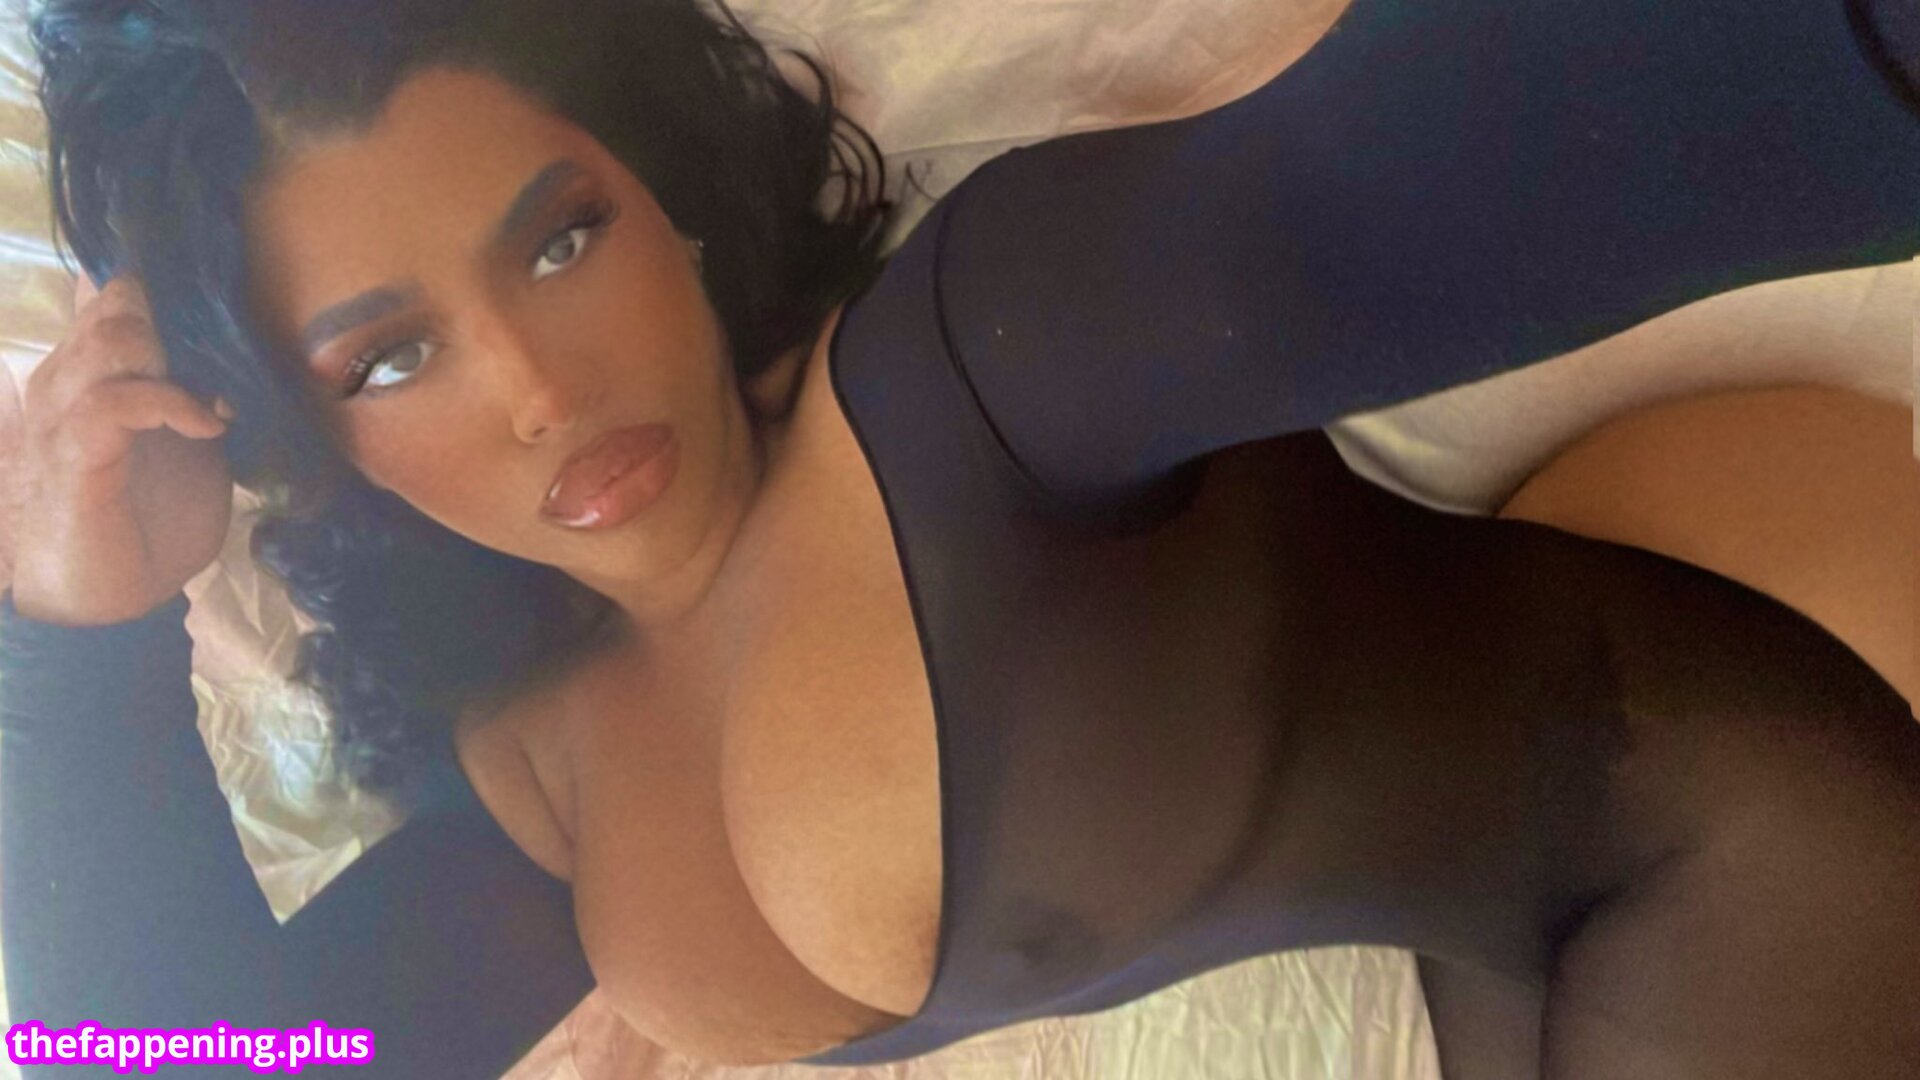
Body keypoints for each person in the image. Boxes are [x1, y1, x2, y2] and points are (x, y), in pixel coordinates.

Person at [3, 1, 1916, 1078]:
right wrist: (72, 632)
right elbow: (171, 1062)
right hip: (1517, 948)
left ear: (665, 196)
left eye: (562, 236)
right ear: (312, 448)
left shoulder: (967, 374)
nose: (533, 384)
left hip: (1731, 824)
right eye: (390, 355)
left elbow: (1446, 164)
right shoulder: (529, 780)